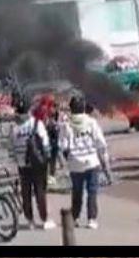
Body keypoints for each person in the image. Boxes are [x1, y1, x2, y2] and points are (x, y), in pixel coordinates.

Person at [59, 96, 109, 230]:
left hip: (75, 164)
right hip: (92, 162)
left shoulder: (66, 124)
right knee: (92, 191)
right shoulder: (91, 122)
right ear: (84, 108)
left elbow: (63, 146)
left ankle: (74, 217)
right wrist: (105, 164)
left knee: (77, 191)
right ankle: (91, 219)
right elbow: (101, 143)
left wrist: (68, 158)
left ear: (71, 109)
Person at [10, 99, 54, 230]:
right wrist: (48, 159)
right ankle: (45, 219)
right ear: (29, 110)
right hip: (37, 164)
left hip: (22, 164)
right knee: (40, 191)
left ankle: (30, 221)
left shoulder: (14, 128)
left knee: (26, 193)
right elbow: (45, 143)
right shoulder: (36, 123)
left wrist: (18, 160)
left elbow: (11, 147)